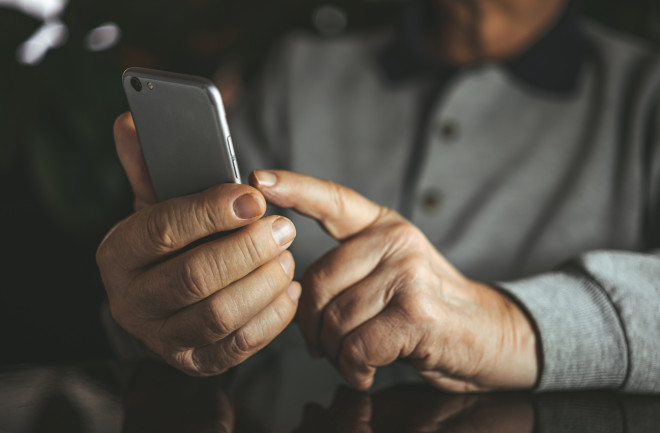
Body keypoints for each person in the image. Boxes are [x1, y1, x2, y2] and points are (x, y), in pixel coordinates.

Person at [97, 0, 660, 392]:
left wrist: (507, 326)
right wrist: (165, 312)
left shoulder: (646, 93)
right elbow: (189, 316)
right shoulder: (299, 72)